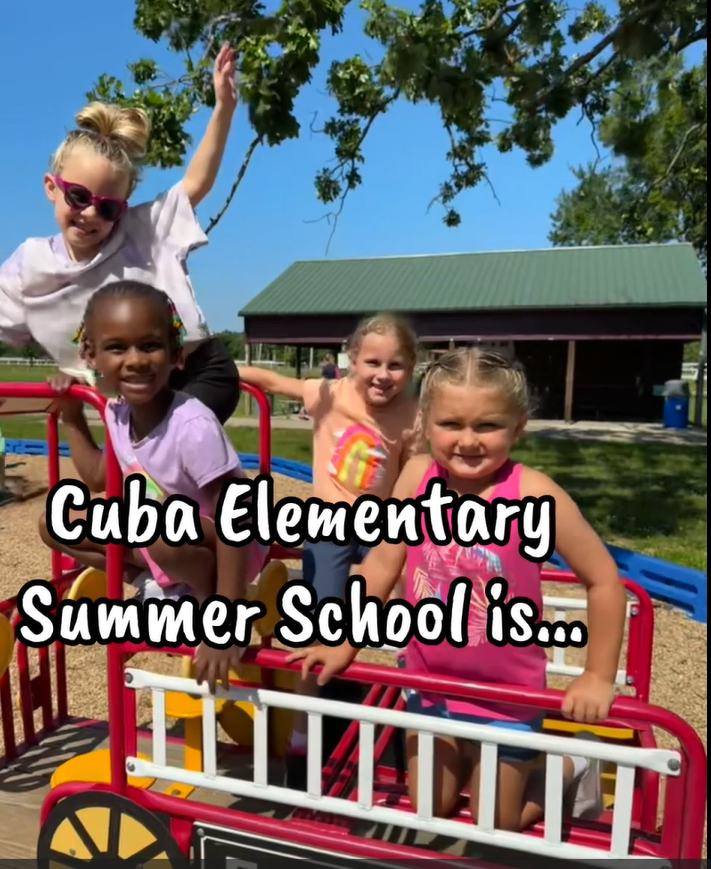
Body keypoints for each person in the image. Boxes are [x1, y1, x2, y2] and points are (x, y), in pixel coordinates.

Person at [287, 346, 627, 830]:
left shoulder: (534, 493)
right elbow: (384, 561)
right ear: (425, 422)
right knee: (430, 807)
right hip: (430, 682)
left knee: (497, 820)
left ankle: (575, 762)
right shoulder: (416, 477)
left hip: (510, 696)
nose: (468, 441)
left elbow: (604, 579)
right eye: (451, 424)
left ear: (519, 425)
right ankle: (480, 767)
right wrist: (344, 634)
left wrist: (596, 675)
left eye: (487, 426)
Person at [0, 45, 241, 426]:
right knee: (126, 471)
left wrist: (224, 108)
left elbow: (196, 182)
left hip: (197, 371)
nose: (90, 214)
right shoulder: (32, 262)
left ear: (123, 207)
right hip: (135, 389)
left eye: (107, 207)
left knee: (169, 448)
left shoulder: (142, 229)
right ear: (52, 188)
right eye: (78, 196)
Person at [37, 279, 268, 688]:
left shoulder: (191, 425)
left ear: (176, 353)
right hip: (166, 537)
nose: (136, 360)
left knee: (161, 530)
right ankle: (158, 584)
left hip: (229, 545)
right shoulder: (116, 413)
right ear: (91, 355)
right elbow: (97, 478)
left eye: (149, 346)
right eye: (117, 348)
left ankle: (208, 598)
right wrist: (72, 415)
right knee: (55, 522)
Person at [238, 312, 421, 787]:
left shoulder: (412, 415)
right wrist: (213, 371)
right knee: (319, 630)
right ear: (352, 360)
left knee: (408, 605)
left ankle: (416, 712)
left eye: (396, 365)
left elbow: (412, 475)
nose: (383, 374)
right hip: (330, 524)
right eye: (373, 362)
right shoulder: (330, 393)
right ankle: (302, 739)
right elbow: (270, 380)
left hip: (380, 525)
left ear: (412, 366)